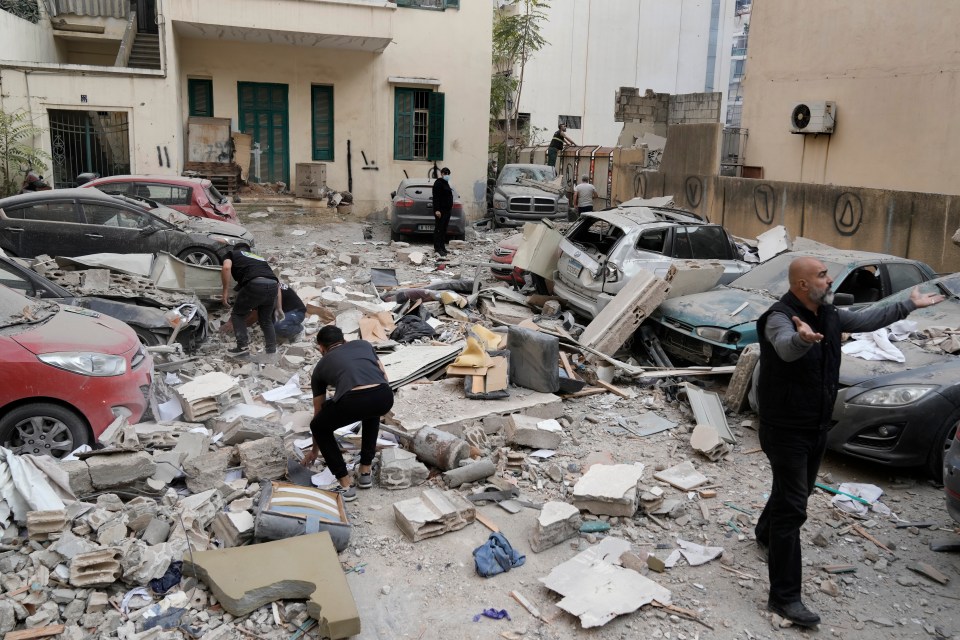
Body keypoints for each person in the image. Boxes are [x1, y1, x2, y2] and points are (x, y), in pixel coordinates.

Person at [754, 256, 943, 628]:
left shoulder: (829, 314)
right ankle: (785, 597)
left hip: (816, 426)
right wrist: (801, 340)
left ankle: (765, 534)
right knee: (794, 507)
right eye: (823, 276)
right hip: (785, 429)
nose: (829, 281)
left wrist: (908, 305)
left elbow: (868, 319)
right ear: (803, 285)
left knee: (798, 492)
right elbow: (782, 345)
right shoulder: (779, 316)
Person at [303, 326, 394, 502]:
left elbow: (318, 413)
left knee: (318, 426)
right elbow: (383, 374)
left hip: (353, 401)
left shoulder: (321, 366)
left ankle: (345, 484)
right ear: (343, 340)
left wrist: (315, 450)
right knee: (371, 410)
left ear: (321, 347)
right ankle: (365, 470)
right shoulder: (363, 344)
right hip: (384, 395)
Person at [220, 243, 279, 357]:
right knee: (266, 320)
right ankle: (271, 351)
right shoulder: (258, 258)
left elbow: (226, 267)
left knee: (238, 314)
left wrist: (225, 292)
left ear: (236, 250)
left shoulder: (232, 254)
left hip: (255, 284)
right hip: (273, 285)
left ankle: (242, 348)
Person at [432, 167, 454, 257]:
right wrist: (437, 210)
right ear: (441, 173)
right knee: (439, 229)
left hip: (447, 210)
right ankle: (437, 248)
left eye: (448, 173)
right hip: (440, 211)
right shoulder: (438, 183)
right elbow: (436, 197)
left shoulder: (446, 183)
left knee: (444, 229)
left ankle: (442, 246)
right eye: (445, 173)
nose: (447, 175)